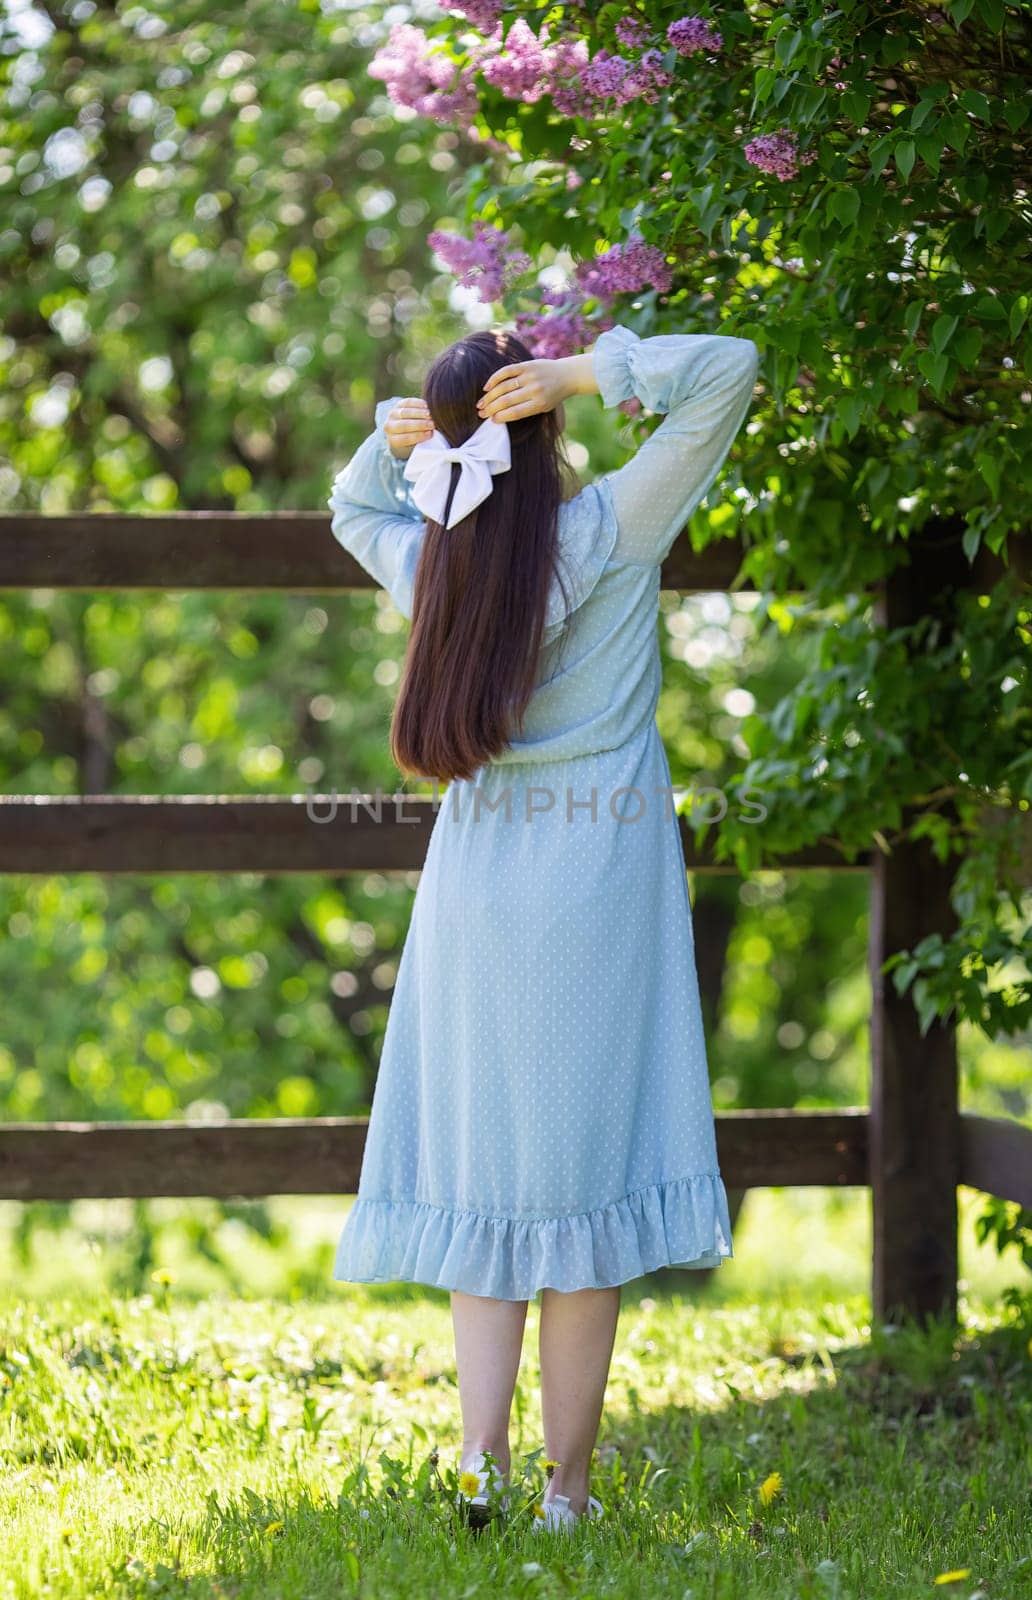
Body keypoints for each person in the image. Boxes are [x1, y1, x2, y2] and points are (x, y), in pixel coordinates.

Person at [327, 322, 759, 1533]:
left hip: (476, 896)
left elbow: (350, 510)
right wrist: (583, 370)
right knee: (579, 1196)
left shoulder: (437, 570)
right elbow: (729, 368)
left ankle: (480, 1466)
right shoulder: (612, 533)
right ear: (544, 427)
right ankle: (565, 1492)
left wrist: (389, 439)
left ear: (451, 448)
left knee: (486, 1189)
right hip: (599, 889)